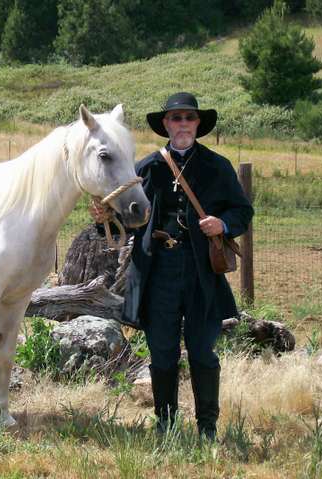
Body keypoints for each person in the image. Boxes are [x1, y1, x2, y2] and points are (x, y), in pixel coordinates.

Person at [92, 92, 254, 439]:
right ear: (165, 124)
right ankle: (166, 426)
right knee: (162, 353)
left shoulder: (217, 166)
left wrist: (221, 225)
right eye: (176, 118)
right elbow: (121, 217)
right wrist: (103, 216)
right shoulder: (146, 168)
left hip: (201, 274)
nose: (182, 124)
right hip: (157, 272)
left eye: (189, 118)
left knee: (202, 352)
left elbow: (243, 212)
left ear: (198, 124)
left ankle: (207, 428)